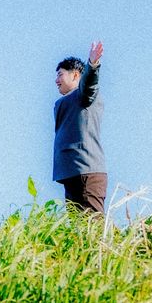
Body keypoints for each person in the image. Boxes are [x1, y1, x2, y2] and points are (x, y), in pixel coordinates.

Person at [53, 41, 107, 214]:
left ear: (76, 75)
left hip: (86, 171)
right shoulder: (63, 102)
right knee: (78, 226)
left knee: (92, 223)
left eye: (60, 75)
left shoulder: (83, 95)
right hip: (71, 172)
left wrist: (93, 64)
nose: (56, 80)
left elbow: (89, 84)